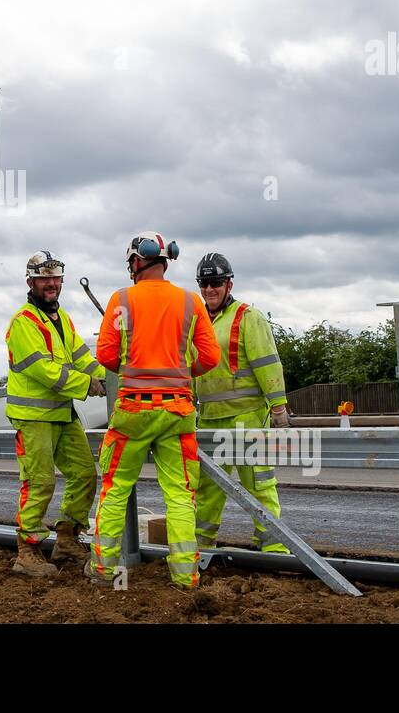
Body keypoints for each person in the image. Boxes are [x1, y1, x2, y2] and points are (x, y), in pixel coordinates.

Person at [86, 232, 220, 590]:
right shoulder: (190, 301)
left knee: (115, 490)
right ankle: (185, 576)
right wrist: (180, 374)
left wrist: (133, 369)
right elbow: (210, 357)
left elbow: (106, 355)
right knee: (180, 495)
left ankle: (104, 571)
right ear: (165, 261)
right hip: (177, 412)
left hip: (133, 409)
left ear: (136, 262)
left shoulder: (121, 299)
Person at [4, 250, 106, 577]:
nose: (51, 284)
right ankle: (27, 551)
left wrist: (107, 376)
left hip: (62, 413)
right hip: (33, 418)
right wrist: (88, 384)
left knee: (85, 474)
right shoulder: (24, 322)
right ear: (30, 282)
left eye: (55, 278)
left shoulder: (60, 318)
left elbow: (82, 357)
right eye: (44, 279)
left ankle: (67, 539)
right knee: (40, 482)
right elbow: (44, 371)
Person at [192, 252, 291, 554]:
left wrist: (278, 406)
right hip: (209, 418)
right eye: (204, 283)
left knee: (258, 484)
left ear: (229, 284)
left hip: (247, 417)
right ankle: (201, 547)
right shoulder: (196, 322)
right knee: (208, 488)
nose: (210, 289)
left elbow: (267, 362)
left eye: (216, 282)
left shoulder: (248, 317)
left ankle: (274, 549)